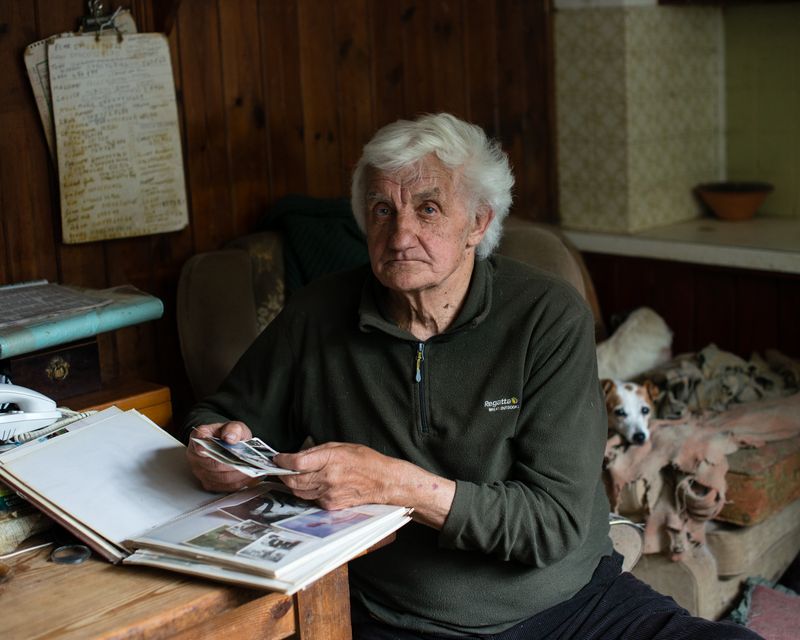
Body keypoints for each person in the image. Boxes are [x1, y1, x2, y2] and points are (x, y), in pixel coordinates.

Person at [184, 113, 762, 640]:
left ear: (479, 222)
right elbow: (222, 415)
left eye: (428, 209)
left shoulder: (547, 317)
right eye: (382, 210)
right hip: (392, 618)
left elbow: (554, 522)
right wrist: (215, 448)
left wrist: (396, 484)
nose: (400, 234)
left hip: (568, 606)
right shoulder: (315, 315)